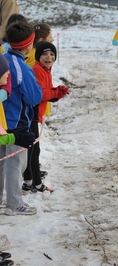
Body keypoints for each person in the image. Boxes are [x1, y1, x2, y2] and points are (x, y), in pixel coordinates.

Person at [1, 21, 42, 215]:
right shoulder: (23, 68)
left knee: (1, 162)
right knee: (16, 164)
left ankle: (3, 200)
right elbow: (34, 97)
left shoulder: (2, 59)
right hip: (17, 123)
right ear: (29, 45)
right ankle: (14, 204)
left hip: (1, 122)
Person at [21, 41, 68, 194]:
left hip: (36, 114)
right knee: (34, 150)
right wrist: (55, 93)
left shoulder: (46, 70)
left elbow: (46, 92)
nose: (49, 57)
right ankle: (36, 184)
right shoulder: (37, 70)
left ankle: (27, 182)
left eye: (52, 55)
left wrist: (56, 93)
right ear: (38, 56)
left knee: (31, 149)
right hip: (32, 115)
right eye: (45, 54)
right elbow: (41, 93)